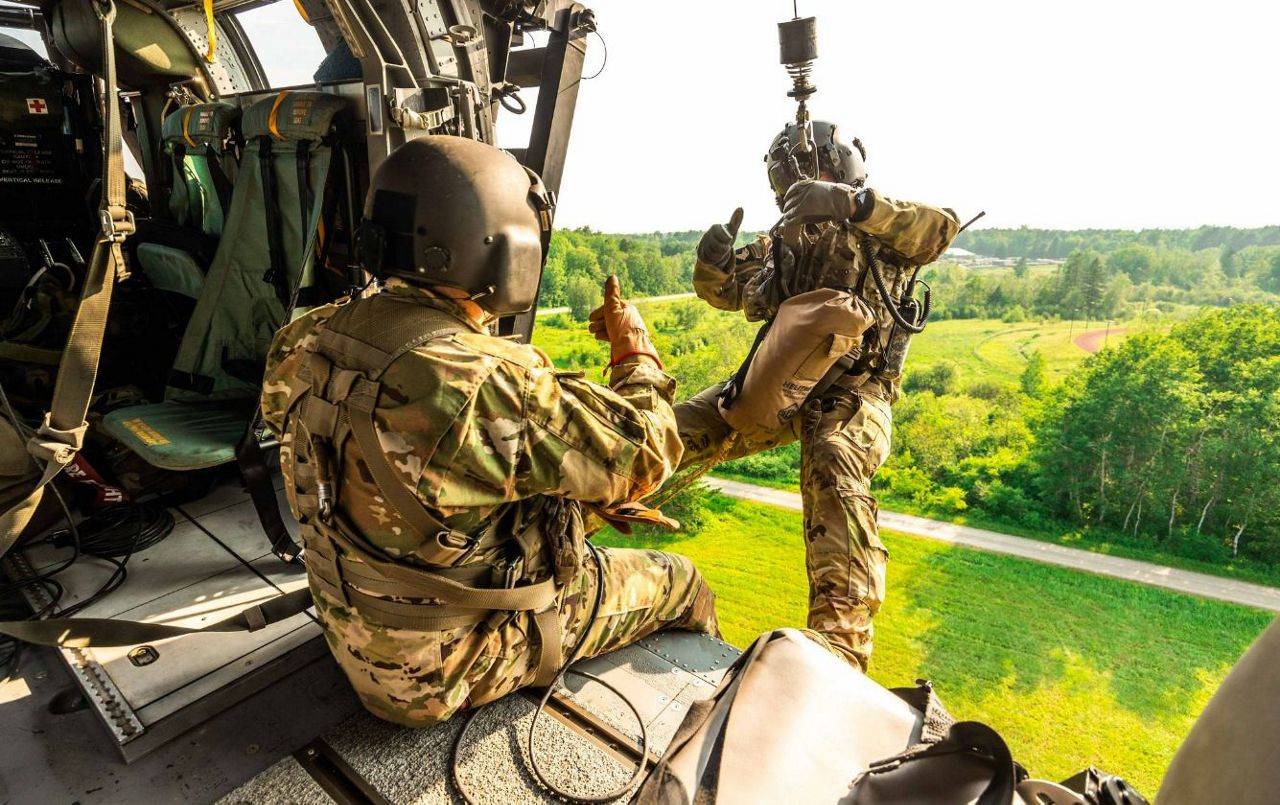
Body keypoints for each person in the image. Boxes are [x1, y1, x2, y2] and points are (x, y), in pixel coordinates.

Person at [259, 136, 717, 727]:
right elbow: (647, 454)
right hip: (440, 668)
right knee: (683, 582)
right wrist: (636, 354)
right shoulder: (486, 379)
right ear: (502, 251)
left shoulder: (309, 337)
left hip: (352, 624)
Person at [675, 121, 959, 671]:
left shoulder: (884, 227)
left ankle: (840, 651)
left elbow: (938, 231)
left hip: (855, 393)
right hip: (783, 383)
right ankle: (568, 517)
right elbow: (731, 292)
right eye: (788, 185)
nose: (797, 192)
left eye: (812, 178)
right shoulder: (786, 239)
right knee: (672, 429)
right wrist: (711, 264)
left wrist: (854, 206)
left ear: (842, 173)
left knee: (834, 462)